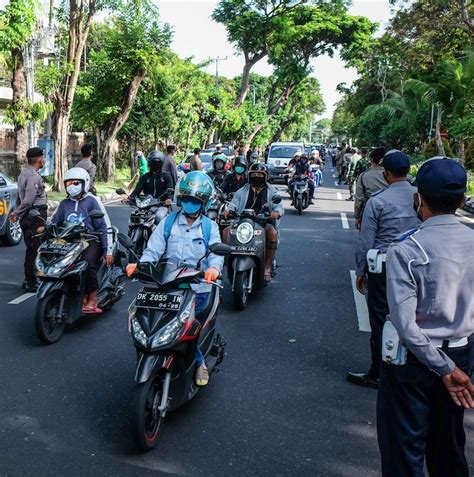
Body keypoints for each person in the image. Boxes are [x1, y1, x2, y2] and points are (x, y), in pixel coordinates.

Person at [378, 157, 474, 476]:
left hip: (412, 363)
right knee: (448, 449)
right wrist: (453, 365)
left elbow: (406, 326)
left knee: (404, 454)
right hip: (461, 356)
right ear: (462, 200)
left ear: (417, 199)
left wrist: (443, 368)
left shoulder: (406, 250)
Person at [126, 171, 223, 386]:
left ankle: (199, 363)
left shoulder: (210, 227)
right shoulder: (168, 223)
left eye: (194, 201)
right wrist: (140, 265)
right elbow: (153, 250)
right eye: (186, 199)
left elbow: (216, 254)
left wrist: (213, 270)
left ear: (204, 204)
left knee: (189, 329)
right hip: (167, 285)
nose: (189, 204)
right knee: (146, 319)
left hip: (197, 288)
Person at [348, 150, 421, 389]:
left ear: (386, 173)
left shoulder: (378, 200)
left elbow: (366, 240)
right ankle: (412, 369)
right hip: (415, 268)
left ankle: (378, 372)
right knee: (413, 318)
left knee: (380, 320)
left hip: (383, 267)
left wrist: (361, 271)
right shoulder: (421, 197)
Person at [50, 167, 113, 313]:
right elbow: (54, 222)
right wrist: (45, 229)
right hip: (69, 241)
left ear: (84, 183)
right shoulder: (64, 204)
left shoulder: (92, 201)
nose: (72, 186)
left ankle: (92, 299)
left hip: (91, 240)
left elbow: (104, 227)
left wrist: (107, 250)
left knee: (87, 263)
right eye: (69, 183)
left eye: (76, 183)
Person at [223, 163, 284, 283]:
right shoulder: (242, 190)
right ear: (249, 176)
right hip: (243, 221)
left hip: (263, 222)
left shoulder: (271, 190)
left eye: (260, 175)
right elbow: (234, 203)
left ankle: (266, 267)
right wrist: (228, 209)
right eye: (254, 174)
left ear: (265, 176)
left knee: (272, 234)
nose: (257, 176)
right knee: (226, 232)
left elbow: (278, 205)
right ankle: (227, 263)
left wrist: (276, 212)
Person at [10, 147, 48, 292]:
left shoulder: (23, 174)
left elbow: (20, 199)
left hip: (30, 216)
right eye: (43, 157)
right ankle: (31, 281)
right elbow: (27, 200)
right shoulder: (33, 177)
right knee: (34, 249)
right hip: (34, 217)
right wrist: (17, 214)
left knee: (33, 248)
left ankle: (30, 279)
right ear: (39, 159)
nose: (44, 160)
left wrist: (17, 213)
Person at [128, 151, 173, 223]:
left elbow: (170, 190)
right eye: (152, 162)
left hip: (161, 205)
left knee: (159, 217)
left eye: (156, 162)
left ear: (161, 163)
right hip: (146, 205)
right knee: (134, 216)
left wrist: (169, 199)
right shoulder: (144, 177)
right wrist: (129, 198)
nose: (154, 164)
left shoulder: (166, 177)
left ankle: (159, 234)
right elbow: (137, 190)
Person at [354, 147, 388, 228]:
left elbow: (359, 198)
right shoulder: (394, 175)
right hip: (392, 212)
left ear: (371, 160)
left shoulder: (364, 176)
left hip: (369, 213)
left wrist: (357, 216)